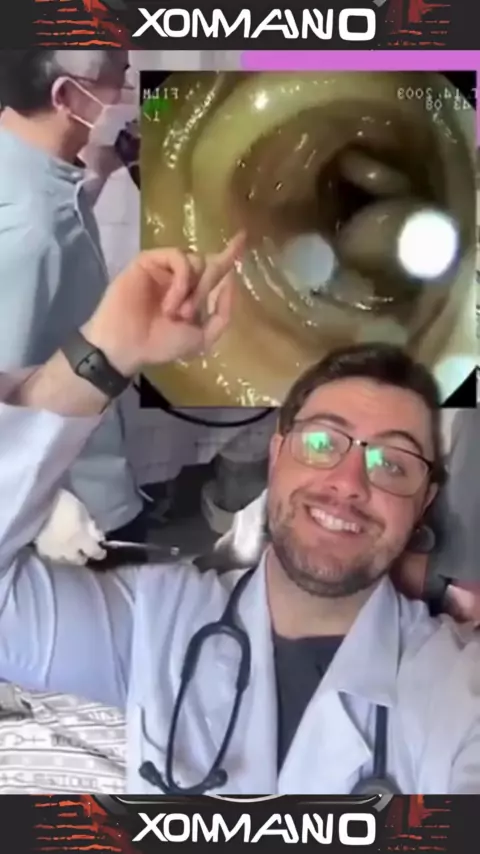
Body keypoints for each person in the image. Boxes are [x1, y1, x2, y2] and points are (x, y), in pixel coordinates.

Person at [0, 240, 480, 795]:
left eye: (392, 463)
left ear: (423, 501)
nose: (348, 483)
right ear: (276, 455)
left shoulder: (455, 688)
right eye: (321, 442)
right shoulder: (155, 622)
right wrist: (106, 352)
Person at [0, 49, 145, 545]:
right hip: (76, 507)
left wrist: (96, 174)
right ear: (66, 96)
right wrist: (48, 512)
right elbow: (9, 405)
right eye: (120, 78)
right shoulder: (34, 232)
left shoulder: (29, 173)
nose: (128, 95)